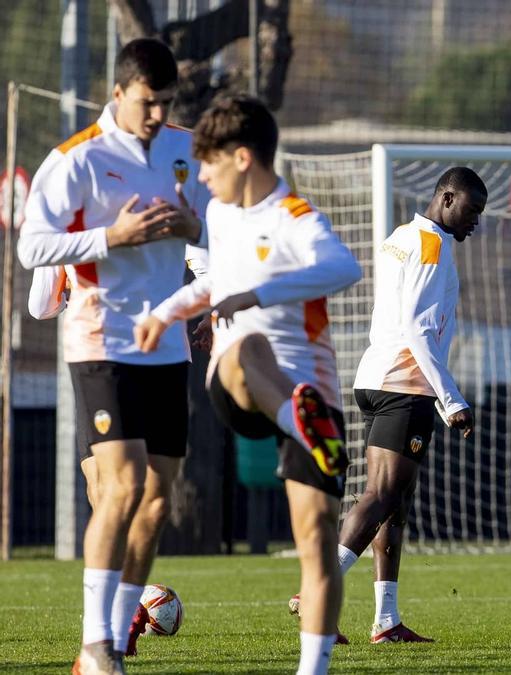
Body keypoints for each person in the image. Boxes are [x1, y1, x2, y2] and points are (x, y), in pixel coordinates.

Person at [136, 95, 361, 675]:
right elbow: (214, 287)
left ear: (241, 158)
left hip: (313, 390)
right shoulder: (220, 215)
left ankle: (312, 670)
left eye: (206, 163)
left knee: (316, 545)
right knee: (246, 347)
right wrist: (165, 312)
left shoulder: (296, 215)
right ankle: (297, 419)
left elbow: (345, 268)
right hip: (239, 384)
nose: (201, 175)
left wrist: (257, 293)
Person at [17, 38, 208, 675]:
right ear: (120, 92)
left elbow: (225, 226)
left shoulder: (185, 149)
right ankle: (94, 645)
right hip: (100, 339)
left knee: (157, 499)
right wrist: (110, 237)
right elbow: (30, 248)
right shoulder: (76, 159)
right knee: (119, 487)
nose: (156, 115)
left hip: (166, 342)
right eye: (147, 103)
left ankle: (118, 641)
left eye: (166, 103)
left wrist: (195, 231)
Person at [303, 167, 484, 644]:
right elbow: (418, 330)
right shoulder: (432, 244)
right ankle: (318, 589)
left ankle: (386, 619)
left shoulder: (400, 236)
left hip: (375, 375)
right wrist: (451, 400)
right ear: (446, 198)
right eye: (471, 210)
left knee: (395, 504)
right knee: (382, 494)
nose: (475, 222)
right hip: (406, 384)